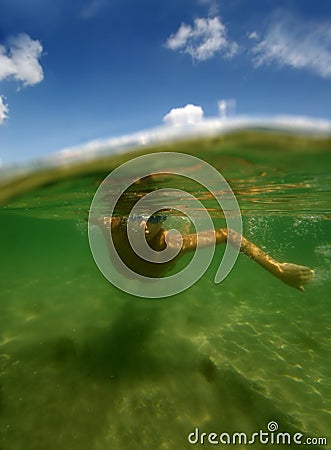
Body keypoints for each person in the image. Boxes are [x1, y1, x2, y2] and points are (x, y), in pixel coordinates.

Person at [97, 211, 314, 291]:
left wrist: (277, 268)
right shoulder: (115, 226)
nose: (144, 225)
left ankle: (185, 223)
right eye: (137, 216)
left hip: (152, 278)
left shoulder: (173, 245)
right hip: (122, 272)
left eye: (155, 218)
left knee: (182, 233)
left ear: (163, 219)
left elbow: (229, 234)